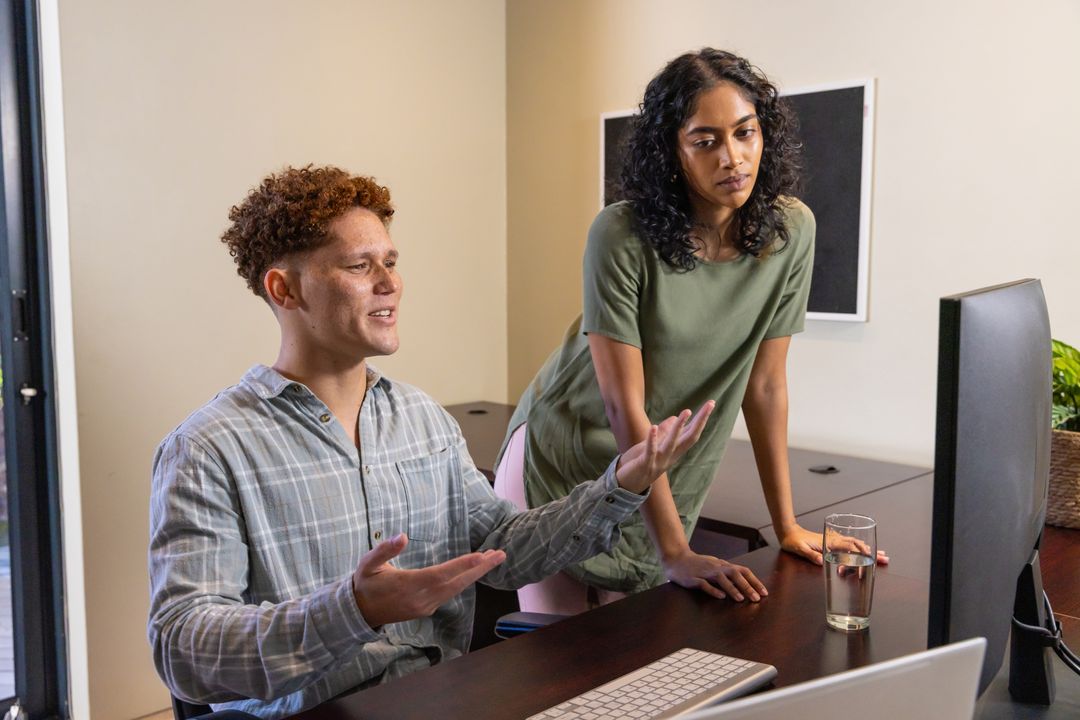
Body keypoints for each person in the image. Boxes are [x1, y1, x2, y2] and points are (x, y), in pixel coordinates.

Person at [147, 165, 714, 719]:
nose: (389, 283)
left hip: (438, 699)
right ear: (284, 289)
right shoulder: (207, 449)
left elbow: (502, 548)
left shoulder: (423, 419)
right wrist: (353, 610)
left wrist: (622, 484)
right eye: (358, 265)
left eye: (391, 262)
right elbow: (184, 649)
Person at [496, 48, 887, 615]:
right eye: (705, 141)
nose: (732, 157)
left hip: (667, 472)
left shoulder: (791, 231)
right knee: (561, 669)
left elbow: (766, 386)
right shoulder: (620, 234)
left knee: (635, 673)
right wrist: (677, 552)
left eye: (745, 133)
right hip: (566, 460)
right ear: (672, 153)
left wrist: (788, 525)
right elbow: (620, 403)